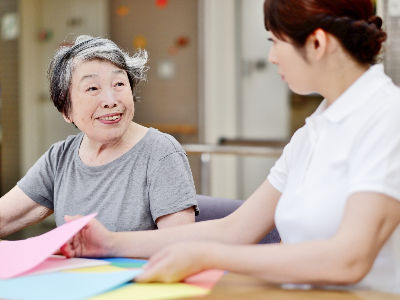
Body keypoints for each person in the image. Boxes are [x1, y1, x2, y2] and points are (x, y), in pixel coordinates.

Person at [60, 0, 400, 294]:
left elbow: (349, 260)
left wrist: (208, 257)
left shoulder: (386, 118)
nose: (271, 57)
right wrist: (110, 243)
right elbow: (235, 229)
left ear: (316, 43)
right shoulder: (314, 133)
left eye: (275, 41)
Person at [0, 35, 198, 238]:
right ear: (66, 111)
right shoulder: (60, 158)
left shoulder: (161, 152)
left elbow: (179, 246)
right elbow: (4, 218)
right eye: (93, 88)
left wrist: (110, 243)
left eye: (119, 84)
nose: (110, 100)